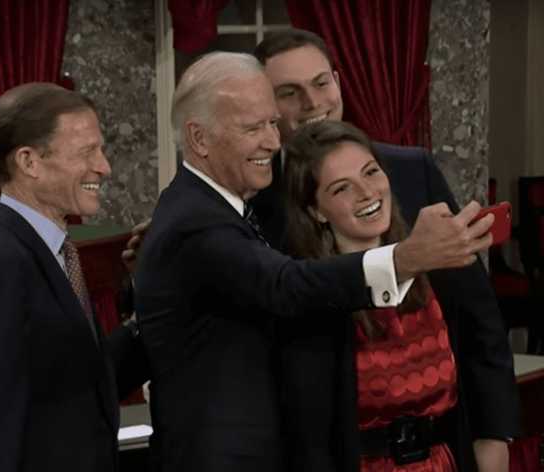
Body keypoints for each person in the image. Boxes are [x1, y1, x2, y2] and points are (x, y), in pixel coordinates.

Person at [134, 51, 494, 472]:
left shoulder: (217, 210)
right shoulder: (196, 220)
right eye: (254, 127)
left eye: (272, 122)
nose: (272, 140)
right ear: (199, 139)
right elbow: (285, 286)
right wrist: (406, 258)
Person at [252, 29, 518, 471]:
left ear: (338, 81)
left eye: (321, 83)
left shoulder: (412, 172)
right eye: (289, 93)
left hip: (444, 447)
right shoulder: (253, 208)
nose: (313, 103)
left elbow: (477, 315)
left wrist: (495, 433)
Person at [0, 83, 147, 472]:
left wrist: (149, 312)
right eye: (87, 152)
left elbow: (81, 385)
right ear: (29, 162)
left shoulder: (56, 252)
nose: (104, 167)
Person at [278, 119, 506, 471]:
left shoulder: (436, 267)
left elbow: (482, 346)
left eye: (371, 172)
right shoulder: (308, 299)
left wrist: (493, 439)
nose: (367, 192)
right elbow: (307, 435)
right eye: (342, 189)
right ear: (316, 211)